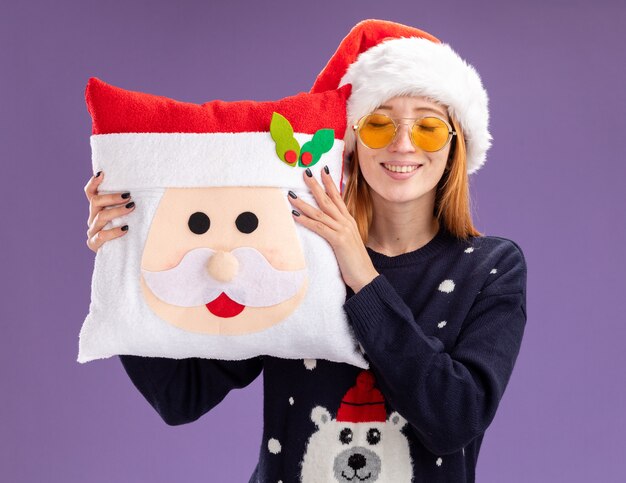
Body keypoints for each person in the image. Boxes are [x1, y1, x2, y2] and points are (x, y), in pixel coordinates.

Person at [84, 19, 526, 483]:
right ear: (352, 143)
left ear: (457, 145)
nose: (402, 143)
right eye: (378, 123)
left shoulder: (492, 268)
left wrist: (363, 279)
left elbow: (454, 419)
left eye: (429, 127)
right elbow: (181, 396)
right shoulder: (299, 247)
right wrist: (125, 248)